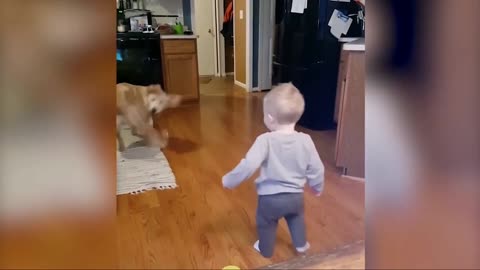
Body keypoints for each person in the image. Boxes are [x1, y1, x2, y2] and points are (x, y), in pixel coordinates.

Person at [222, 83, 325, 258]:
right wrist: (317, 186)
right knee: (296, 218)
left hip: (270, 199)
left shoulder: (265, 140)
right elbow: (317, 167)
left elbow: (248, 165)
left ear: (270, 118)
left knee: (266, 223)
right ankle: (301, 246)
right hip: (295, 197)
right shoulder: (306, 140)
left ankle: (266, 249)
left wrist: (230, 180)